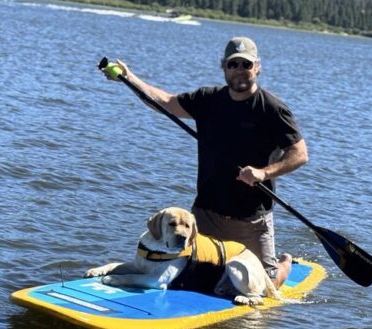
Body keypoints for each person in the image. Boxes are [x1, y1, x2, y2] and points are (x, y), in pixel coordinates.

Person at [103, 37, 308, 287]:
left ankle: (284, 263)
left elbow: (299, 153)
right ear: (224, 66)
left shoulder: (272, 109)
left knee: (267, 283)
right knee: (192, 278)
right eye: (234, 65)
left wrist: (263, 173)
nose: (240, 70)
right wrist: (130, 79)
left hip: (249, 219)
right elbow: (165, 103)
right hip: (205, 216)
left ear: (258, 67)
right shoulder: (208, 99)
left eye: (246, 64)